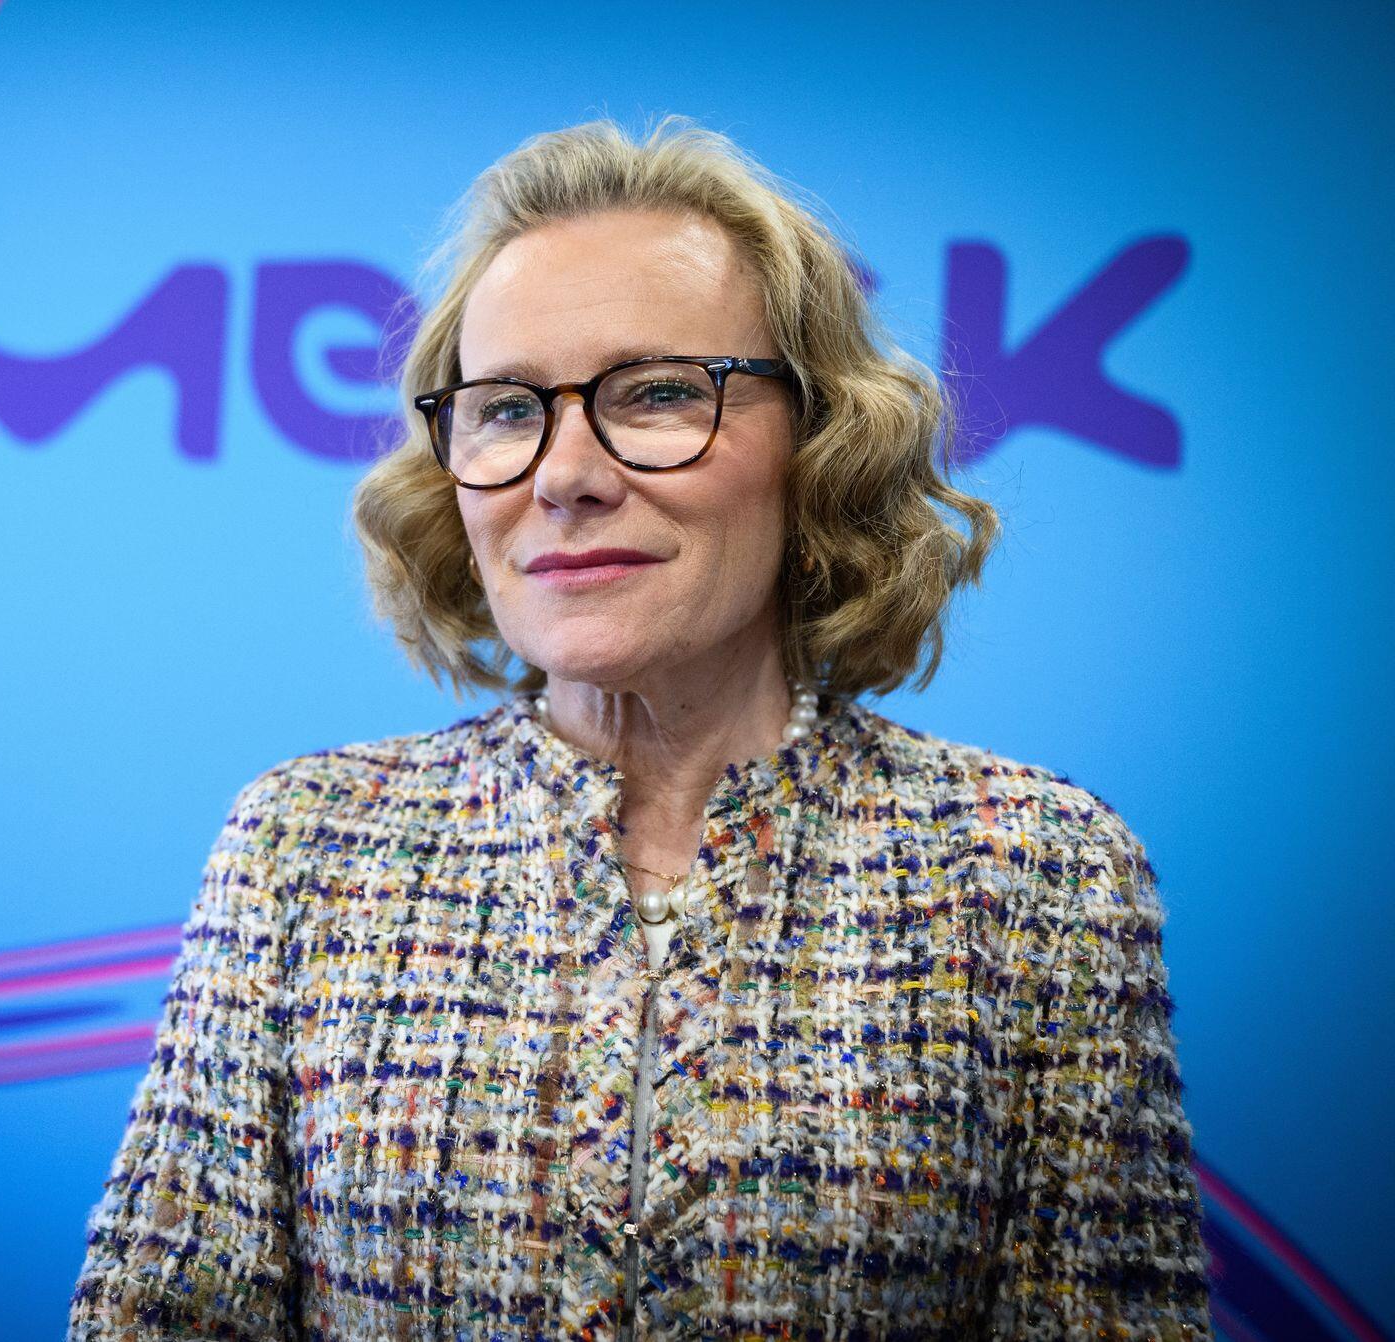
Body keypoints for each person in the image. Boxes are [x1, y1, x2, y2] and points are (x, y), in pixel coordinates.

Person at [67, 114, 1211, 1341]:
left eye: (658, 393)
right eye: (506, 409)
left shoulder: (1033, 873)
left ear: (819, 442)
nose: (563, 474)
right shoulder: (306, 847)